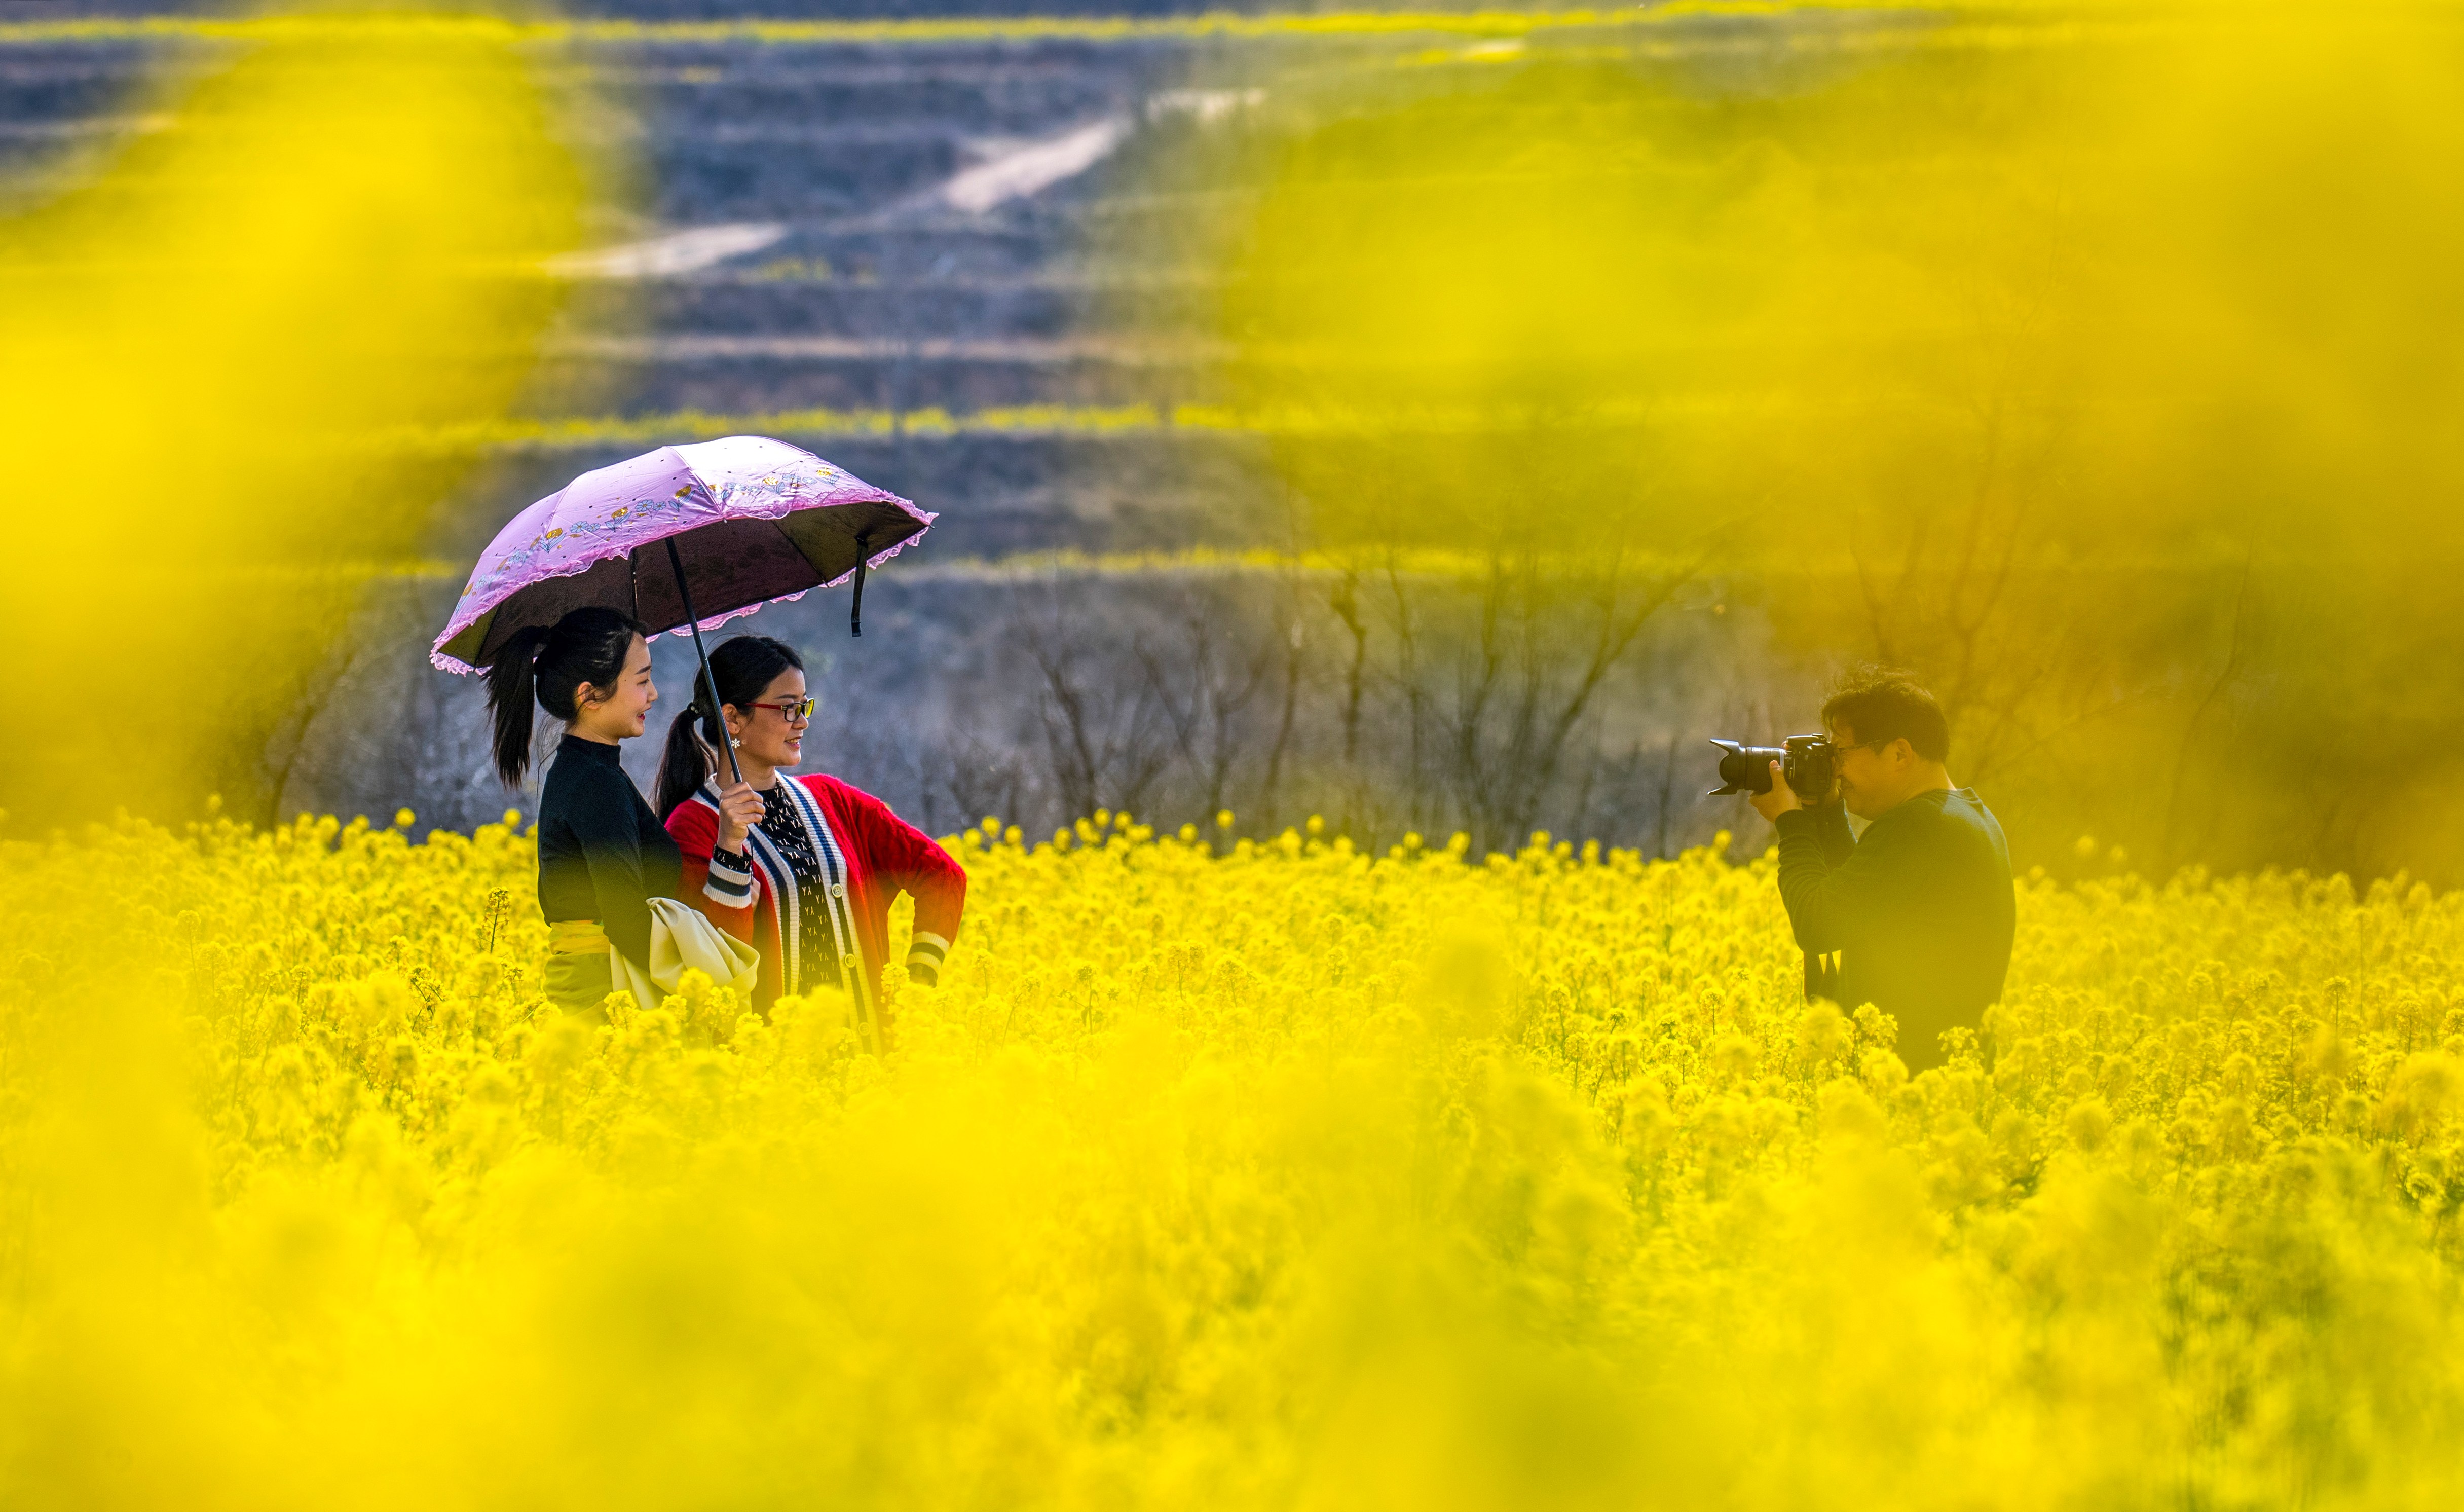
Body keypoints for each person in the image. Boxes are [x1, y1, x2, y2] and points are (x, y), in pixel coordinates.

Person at [654, 634, 965, 1045]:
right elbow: (715, 968)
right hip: (773, 1072)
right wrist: (729, 848)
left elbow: (942, 875)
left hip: (870, 1057)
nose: (802, 721)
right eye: (787, 709)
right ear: (733, 719)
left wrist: (917, 985)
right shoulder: (692, 825)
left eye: (804, 706)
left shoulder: (833, 799)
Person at [1746, 668, 2014, 1071]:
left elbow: (1818, 923)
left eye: (1841, 753)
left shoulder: (1920, 826)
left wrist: (1791, 824)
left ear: (1899, 754)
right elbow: (1863, 901)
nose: (1834, 769)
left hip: (1908, 1090)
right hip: (1938, 1085)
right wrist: (1829, 814)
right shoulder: (1963, 816)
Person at [486, 606, 677, 1017]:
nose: (653, 693)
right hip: (606, 995)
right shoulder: (596, 783)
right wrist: (697, 984)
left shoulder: (583, 770)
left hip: (594, 987)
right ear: (589, 694)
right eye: (642, 679)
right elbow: (627, 921)